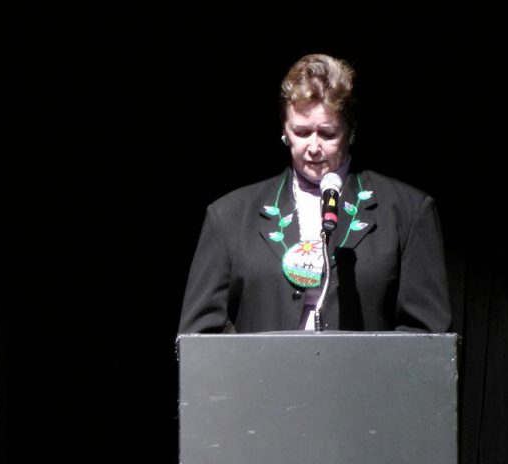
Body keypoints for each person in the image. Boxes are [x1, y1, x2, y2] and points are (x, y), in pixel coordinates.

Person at [178, 53, 451, 334]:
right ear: (284, 130)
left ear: (351, 130)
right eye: (301, 132)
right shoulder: (230, 216)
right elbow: (200, 336)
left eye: (327, 133)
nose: (313, 146)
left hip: (363, 377)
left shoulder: (407, 212)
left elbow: (427, 333)